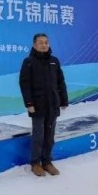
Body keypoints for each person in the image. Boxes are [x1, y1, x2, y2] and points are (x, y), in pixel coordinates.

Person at [19, 33, 68, 176]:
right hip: (37, 105)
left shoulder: (54, 61)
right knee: (38, 135)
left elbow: (60, 82)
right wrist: (29, 103)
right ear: (34, 45)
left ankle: (47, 161)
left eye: (46, 42)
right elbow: (24, 84)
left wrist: (63, 100)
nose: (44, 45)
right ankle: (35, 163)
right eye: (41, 42)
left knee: (50, 135)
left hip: (52, 104)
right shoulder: (29, 62)